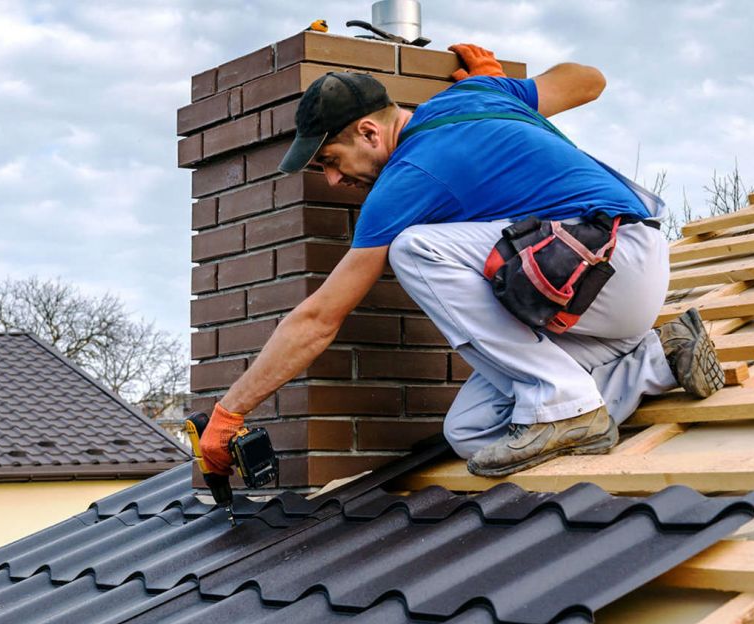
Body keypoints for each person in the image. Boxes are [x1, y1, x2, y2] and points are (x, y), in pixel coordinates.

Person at [199, 44, 721, 480]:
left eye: (330, 161)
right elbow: (589, 79)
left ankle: (565, 402)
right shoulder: (479, 93)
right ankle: (658, 360)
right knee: (471, 432)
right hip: (600, 296)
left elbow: (319, 319)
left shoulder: (407, 178)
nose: (334, 181)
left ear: (368, 132)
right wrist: (507, 91)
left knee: (416, 248)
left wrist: (231, 411)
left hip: (609, 261)